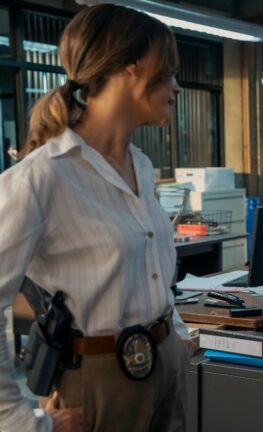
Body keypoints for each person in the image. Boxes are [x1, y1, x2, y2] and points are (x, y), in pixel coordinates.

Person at [0, 4, 194, 431]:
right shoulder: (43, 177)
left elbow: (150, 268)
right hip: (101, 377)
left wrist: (174, 331)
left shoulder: (140, 165)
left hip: (164, 364)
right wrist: (20, 422)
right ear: (130, 67)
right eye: (168, 70)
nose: (176, 86)